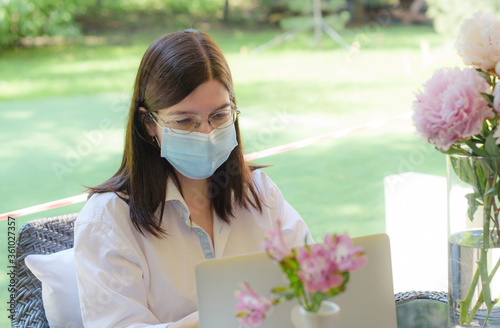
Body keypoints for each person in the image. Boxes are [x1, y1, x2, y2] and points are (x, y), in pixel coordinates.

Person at [74, 29, 312, 328]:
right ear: (149, 123)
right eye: (185, 121)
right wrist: (222, 318)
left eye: (220, 116)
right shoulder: (107, 220)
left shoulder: (261, 194)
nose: (207, 134)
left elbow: (312, 282)